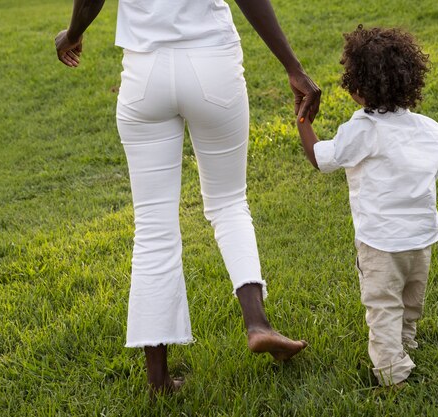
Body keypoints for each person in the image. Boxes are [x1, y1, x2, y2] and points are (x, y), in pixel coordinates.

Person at [55, 0, 320, 394]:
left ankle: (159, 380)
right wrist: (292, 66)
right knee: (229, 202)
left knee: (152, 225)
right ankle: (258, 324)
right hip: (212, 64)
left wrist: (72, 34)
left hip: (145, 74)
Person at [295, 25, 438, 388]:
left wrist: (303, 121)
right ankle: (405, 342)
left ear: (357, 87)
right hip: (421, 240)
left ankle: (392, 374)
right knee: (411, 301)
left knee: (384, 306)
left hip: (380, 244)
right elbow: (431, 175)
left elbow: (322, 159)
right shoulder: (431, 130)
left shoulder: (362, 129)